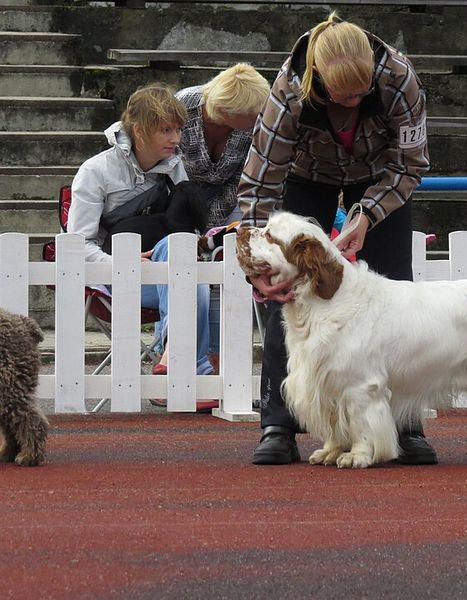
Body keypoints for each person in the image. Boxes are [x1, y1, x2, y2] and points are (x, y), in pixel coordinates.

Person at [237, 12, 437, 465]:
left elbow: (411, 163)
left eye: (364, 91)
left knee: (394, 295)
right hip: (307, 177)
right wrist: (259, 268)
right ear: (317, 80)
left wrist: (367, 213)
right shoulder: (287, 91)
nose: (356, 100)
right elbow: (259, 186)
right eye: (344, 94)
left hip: (383, 179)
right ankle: (278, 425)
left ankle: (405, 427)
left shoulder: (400, 78)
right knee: (285, 299)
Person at [67, 83, 217, 410]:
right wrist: (121, 262)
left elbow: (183, 230)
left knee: (182, 264)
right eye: (165, 130)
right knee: (185, 275)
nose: (176, 139)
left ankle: (173, 366)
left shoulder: (176, 167)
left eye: (178, 129)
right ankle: (192, 369)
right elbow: (77, 244)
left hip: (162, 274)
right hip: (109, 277)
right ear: (138, 128)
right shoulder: (96, 171)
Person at [175, 63, 271, 374]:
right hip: (180, 203)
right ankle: (181, 360)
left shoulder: (258, 122)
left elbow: (256, 176)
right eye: (253, 114)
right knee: (186, 275)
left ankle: (220, 363)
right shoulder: (182, 106)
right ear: (228, 111)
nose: (260, 118)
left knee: (229, 265)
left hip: (233, 202)